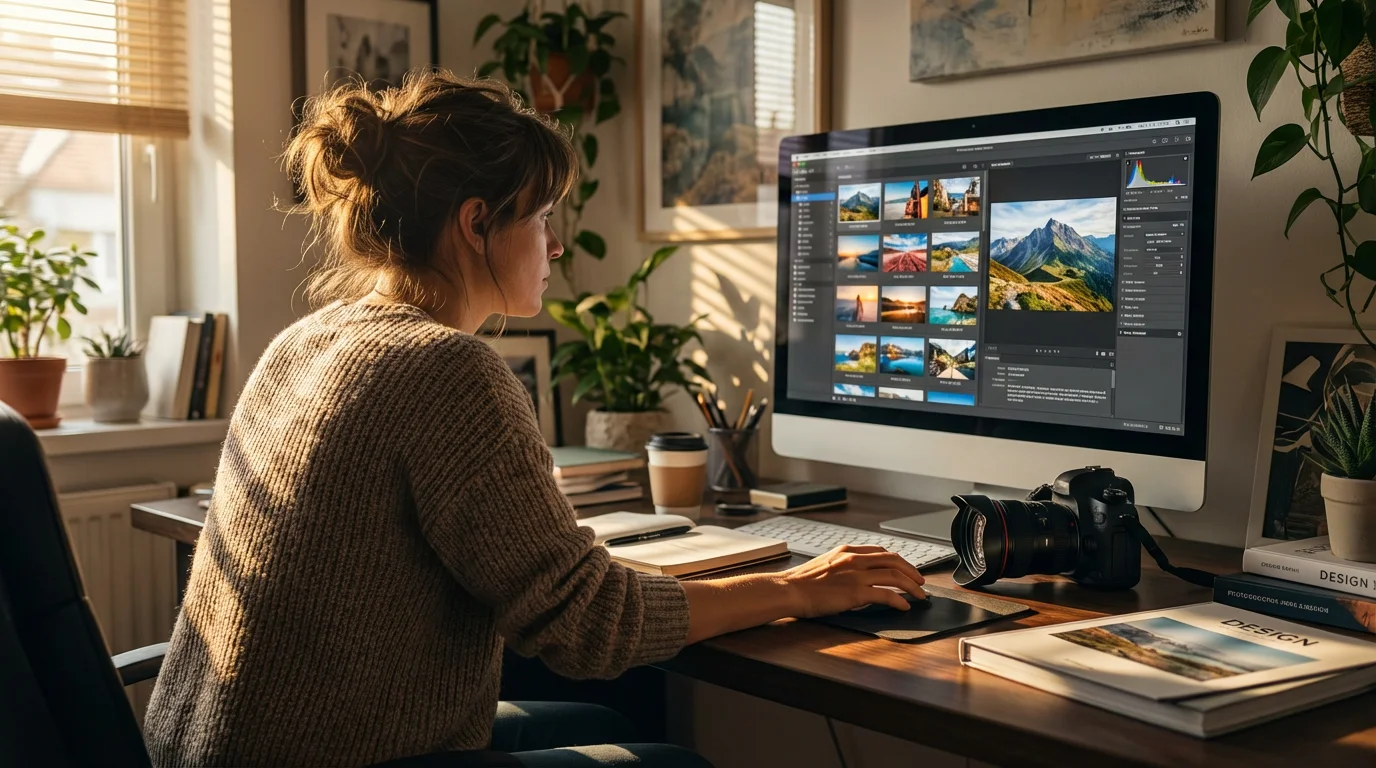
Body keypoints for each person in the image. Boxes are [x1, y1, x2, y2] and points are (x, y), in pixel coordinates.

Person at [143, 70, 926, 768]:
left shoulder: (309, 338)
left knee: (595, 719)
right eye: (543, 216)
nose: (554, 245)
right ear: (476, 223)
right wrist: (800, 587)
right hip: (331, 754)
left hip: (211, 744)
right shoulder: (446, 368)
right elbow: (588, 624)